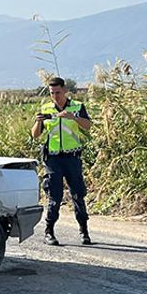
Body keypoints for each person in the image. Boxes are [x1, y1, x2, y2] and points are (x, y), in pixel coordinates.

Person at [31, 77, 93, 246]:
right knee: (54, 196)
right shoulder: (46, 109)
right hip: (53, 159)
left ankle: (84, 231)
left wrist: (73, 117)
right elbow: (35, 134)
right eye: (52, 93)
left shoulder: (77, 106)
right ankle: (49, 232)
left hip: (72, 157)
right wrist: (38, 122)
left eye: (58, 92)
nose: (55, 96)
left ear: (65, 90)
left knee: (78, 195)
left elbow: (88, 125)